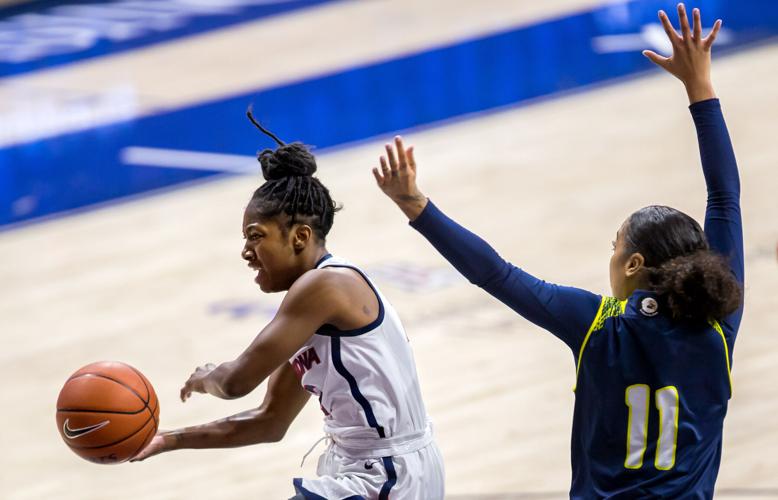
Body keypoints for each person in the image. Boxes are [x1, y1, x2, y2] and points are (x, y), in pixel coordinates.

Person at [373, 4, 742, 498]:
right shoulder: (718, 322)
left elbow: (496, 274)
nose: (610, 257)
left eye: (615, 246)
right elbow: (724, 197)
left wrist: (417, 207)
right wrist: (700, 86)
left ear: (634, 264)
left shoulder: (595, 324)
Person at [132, 113, 445, 500]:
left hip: (386, 474)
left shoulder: (324, 285)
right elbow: (270, 421)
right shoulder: (313, 307)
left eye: (255, 236)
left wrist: (206, 377)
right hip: (377, 469)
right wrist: (169, 439)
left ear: (300, 237)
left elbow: (235, 382)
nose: (246, 251)